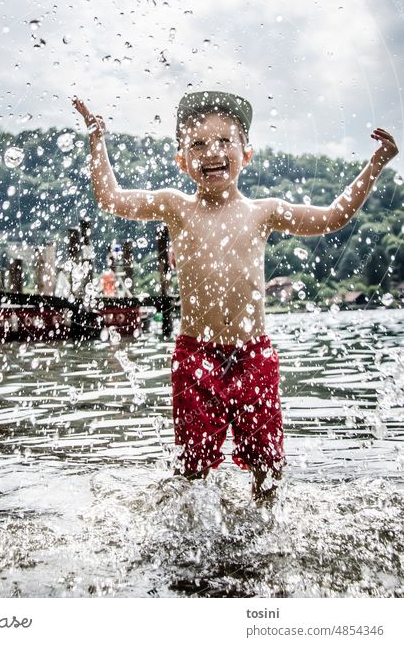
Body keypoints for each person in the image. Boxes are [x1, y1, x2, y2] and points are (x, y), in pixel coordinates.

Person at [72, 92, 398, 500]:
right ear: (181, 160)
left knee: (267, 468)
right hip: (195, 356)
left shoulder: (264, 211)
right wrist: (96, 139)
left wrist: (376, 164)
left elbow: (333, 217)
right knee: (193, 469)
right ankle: (192, 545)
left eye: (225, 141)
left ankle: (265, 540)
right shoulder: (177, 208)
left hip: (253, 356)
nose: (213, 151)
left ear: (246, 154)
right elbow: (111, 199)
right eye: (198, 144)